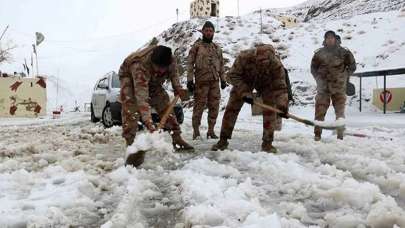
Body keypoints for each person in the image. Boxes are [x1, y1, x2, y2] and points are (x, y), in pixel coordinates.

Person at [119, 45, 193, 166]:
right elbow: (142, 98)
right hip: (129, 78)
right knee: (130, 109)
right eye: (157, 68)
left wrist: (177, 88)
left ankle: (177, 138)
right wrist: (149, 122)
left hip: (153, 81)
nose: (160, 71)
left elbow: (174, 75)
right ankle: (131, 146)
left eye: (162, 69)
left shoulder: (171, 61)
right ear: (152, 62)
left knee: (164, 104)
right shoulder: (140, 66)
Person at [211, 44, 289, 153]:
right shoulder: (244, 57)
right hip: (243, 81)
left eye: (265, 61)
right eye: (259, 61)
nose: (262, 64)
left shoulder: (276, 65)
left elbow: (280, 87)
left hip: (265, 84)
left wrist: (283, 106)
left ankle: (267, 143)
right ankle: (223, 140)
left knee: (271, 110)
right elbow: (232, 75)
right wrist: (244, 92)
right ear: (255, 56)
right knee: (231, 108)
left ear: (271, 59)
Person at [311, 31, 356, 141]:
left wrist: (344, 77)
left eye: (332, 38)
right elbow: (313, 69)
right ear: (325, 40)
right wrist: (318, 80)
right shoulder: (319, 54)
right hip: (323, 89)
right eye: (327, 38)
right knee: (319, 113)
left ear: (335, 39)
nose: (330, 40)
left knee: (340, 113)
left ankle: (340, 136)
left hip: (339, 88)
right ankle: (317, 136)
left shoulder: (344, 52)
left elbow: (352, 66)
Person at [187, 21, 227, 140]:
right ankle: (196, 131)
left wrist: (223, 80)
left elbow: (221, 65)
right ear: (203, 31)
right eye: (207, 30)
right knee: (199, 106)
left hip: (214, 82)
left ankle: (211, 131)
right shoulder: (197, 46)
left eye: (211, 31)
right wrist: (190, 80)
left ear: (213, 32)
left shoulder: (217, 48)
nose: (209, 33)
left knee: (214, 106)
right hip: (201, 82)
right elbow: (190, 64)